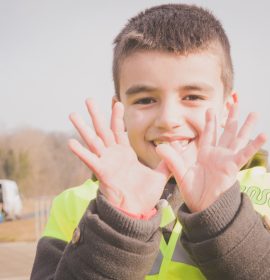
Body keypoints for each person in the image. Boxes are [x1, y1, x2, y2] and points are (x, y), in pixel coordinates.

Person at [31, 3, 270, 280]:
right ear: (120, 111)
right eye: (145, 100)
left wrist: (221, 217)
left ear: (227, 107)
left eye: (192, 97)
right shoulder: (73, 205)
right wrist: (119, 223)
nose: (168, 119)